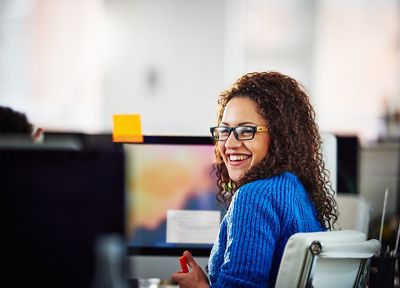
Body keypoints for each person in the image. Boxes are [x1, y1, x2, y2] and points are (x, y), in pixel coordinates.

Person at [171, 71, 338, 287]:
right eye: (225, 131)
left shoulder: (253, 197)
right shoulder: (295, 190)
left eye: (245, 131)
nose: (229, 143)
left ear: (279, 137)